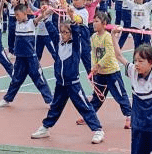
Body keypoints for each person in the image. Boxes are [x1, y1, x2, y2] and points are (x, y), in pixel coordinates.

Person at [30, 13, 104, 144]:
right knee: (55, 107)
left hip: (73, 83)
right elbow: (52, 31)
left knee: (84, 106)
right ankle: (45, 128)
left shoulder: (76, 45)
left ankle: (98, 130)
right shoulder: (59, 43)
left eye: (66, 32)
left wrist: (73, 19)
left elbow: (76, 31)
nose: (63, 35)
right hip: (60, 84)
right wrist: (46, 16)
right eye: (62, 32)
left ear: (71, 33)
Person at [0, 1, 54, 108]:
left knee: (39, 79)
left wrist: (45, 11)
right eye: (15, 15)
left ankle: (50, 101)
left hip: (31, 58)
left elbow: (40, 17)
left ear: (25, 13)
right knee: (16, 80)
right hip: (20, 58)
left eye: (18, 15)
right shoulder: (17, 23)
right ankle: (7, 99)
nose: (16, 17)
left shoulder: (32, 23)